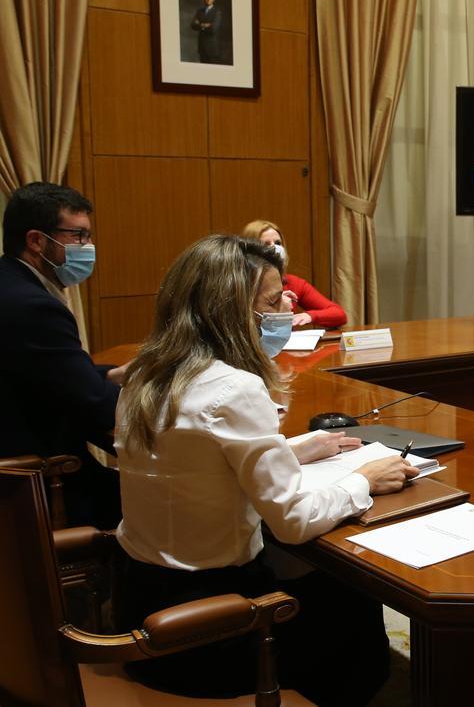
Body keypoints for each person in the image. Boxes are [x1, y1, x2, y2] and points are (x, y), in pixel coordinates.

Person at [114, 234, 419, 704]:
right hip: (212, 628)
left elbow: (193, 459)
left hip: (139, 602)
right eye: (274, 301)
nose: (286, 310)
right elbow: (294, 522)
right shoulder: (233, 388)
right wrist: (364, 479)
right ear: (233, 311)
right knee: (352, 591)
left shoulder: (145, 373)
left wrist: (293, 449)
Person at [0, 182, 124, 528]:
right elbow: (95, 404)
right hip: (36, 480)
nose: (89, 247)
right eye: (79, 237)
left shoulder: (9, 282)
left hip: (23, 457)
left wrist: (110, 374)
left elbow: (47, 371)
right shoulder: (33, 306)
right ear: (37, 241)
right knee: (162, 500)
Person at [243, 219, 347, 328]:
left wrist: (309, 316)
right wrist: (277, 305)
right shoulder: (240, 284)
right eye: (266, 244)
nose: (275, 248)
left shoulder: (293, 282)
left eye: (278, 243)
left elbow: (339, 314)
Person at [190, 0, 222, 64]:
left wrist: (199, 24)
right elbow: (192, 25)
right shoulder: (199, 11)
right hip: (202, 48)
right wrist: (205, 25)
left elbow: (213, 29)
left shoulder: (217, 12)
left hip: (212, 49)